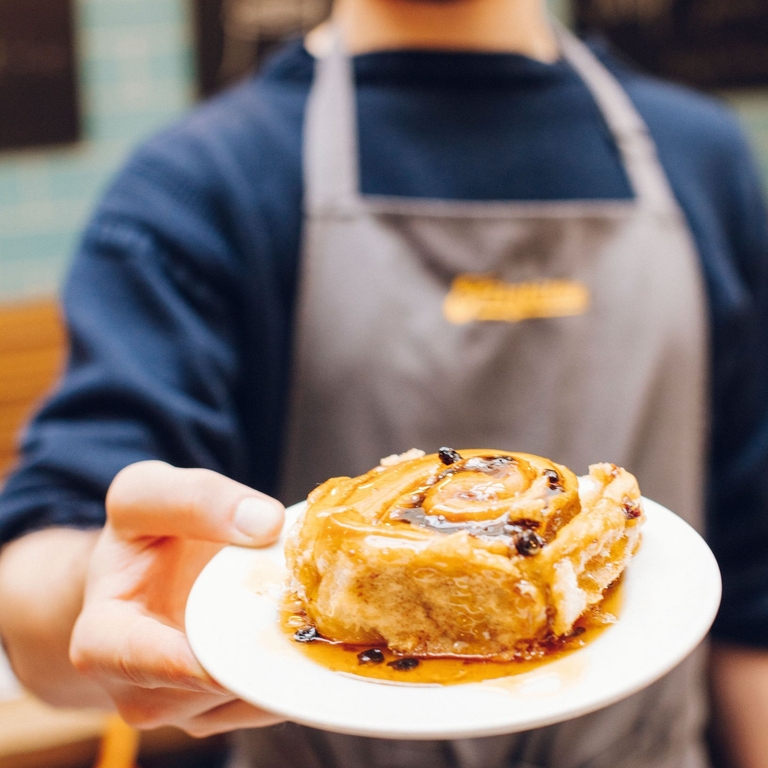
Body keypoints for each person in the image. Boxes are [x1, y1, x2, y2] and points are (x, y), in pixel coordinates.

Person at [0, 0, 767, 765]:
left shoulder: (700, 158)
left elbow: (754, 576)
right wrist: (91, 595)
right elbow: (44, 591)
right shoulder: (201, 183)